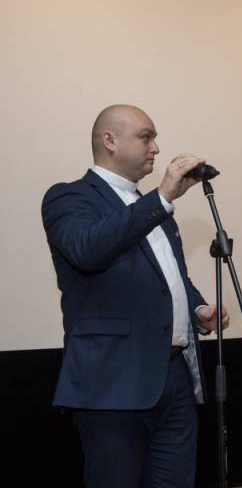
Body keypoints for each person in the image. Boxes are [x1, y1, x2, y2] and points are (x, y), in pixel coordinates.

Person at [42, 104, 229, 488]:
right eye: (146, 137)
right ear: (110, 140)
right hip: (113, 381)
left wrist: (197, 308)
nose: (156, 148)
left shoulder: (153, 207)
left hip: (174, 376)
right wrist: (160, 198)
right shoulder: (69, 197)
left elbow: (169, 276)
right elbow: (87, 249)